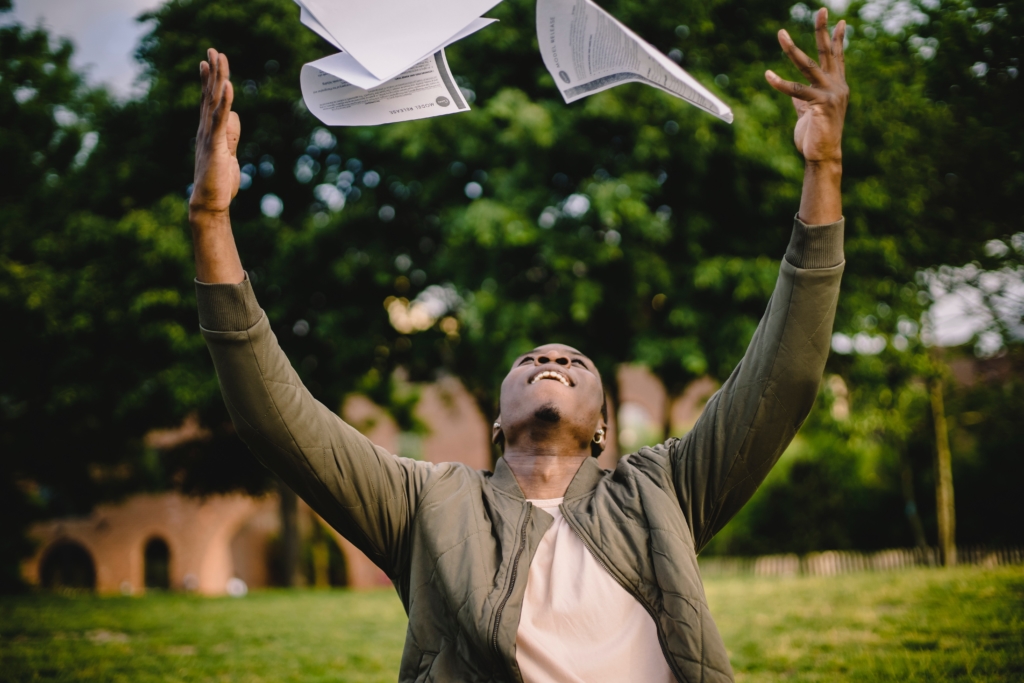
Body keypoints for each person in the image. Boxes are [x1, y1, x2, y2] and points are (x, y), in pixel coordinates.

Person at [189, 8, 848, 682]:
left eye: (573, 360)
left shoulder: (665, 491)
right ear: (497, 422)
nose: (552, 358)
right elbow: (275, 417)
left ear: (602, 428)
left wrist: (823, 169)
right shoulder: (428, 506)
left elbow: (784, 377)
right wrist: (211, 221)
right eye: (532, 359)